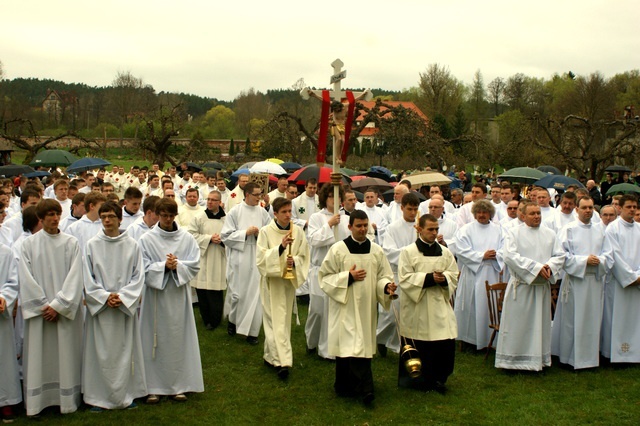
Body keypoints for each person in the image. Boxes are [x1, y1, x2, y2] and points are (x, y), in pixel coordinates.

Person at [318, 209, 396, 405]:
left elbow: (383, 276)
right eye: (358, 226)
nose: (362, 229)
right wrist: (348, 277)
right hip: (345, 305)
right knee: (347, 345)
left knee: (361, 344)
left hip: (366, 307)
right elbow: (325, 277)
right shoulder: (338, 250)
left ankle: (362, 388)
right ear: (350, 226)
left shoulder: (376, 251)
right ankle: (348, 386)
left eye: (365, 225)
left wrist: (386, 287)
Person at [19, 199, 85, 416]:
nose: (55, 218)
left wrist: (58, 305)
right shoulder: (29, 245)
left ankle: (66, 401)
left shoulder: (71, 243)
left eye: (57, 214)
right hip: (41, 314)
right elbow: (25, 279)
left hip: (62, 313)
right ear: (41, 218)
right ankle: (39, 403)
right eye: (50, 214)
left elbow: (75, 277)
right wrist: (43, 306)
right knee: (40, 357)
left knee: (65, 355)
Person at [82, 201, 147, 411]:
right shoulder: (92, 245)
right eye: (103, 217)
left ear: (120, 218)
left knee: (125, 351)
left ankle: (127, 394)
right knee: (100, 353)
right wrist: (103, 297)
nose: (107, 221)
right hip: (102, 309)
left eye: (111, 216)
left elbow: (139, 276)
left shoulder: (132, 245)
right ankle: (98, 397)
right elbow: (87, 277)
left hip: (122, 308)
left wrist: (123, 297)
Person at [138, 198, 203, 403]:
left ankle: (179, 384)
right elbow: (141, 267)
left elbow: (194, 264)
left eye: (170, 216)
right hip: (155, 298)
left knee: (177, 338)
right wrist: (163, 267)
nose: (167, 220)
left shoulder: (186, 238)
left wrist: (178, 266)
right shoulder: (147, 239)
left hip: (177, 295)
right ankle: (153, 386)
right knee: (152, 340)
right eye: (163, 215)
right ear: (157, 214)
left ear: (175, 215)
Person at [495, 203, 565, 371]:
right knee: (518, 324)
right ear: (523, 216)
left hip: (541, 288)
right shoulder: (514, 233)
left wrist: (548, 267)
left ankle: (538, 359)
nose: (536, 216)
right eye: (532, 213)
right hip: (522, 287)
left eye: (538, 213)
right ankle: (513, 360)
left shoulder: (550, 234)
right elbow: (510, 256)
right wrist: (536, 268)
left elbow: (560, 255)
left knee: (539, 325)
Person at [397, 213, 458, 393]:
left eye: (436, 229)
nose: (434, 233)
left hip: (439, 303)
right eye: (430, 229)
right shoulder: (408, 252)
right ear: (419, 229)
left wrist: (444, 278)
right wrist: (430, 278)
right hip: (418, 305)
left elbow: (453, 274)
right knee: (420, 342)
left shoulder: (445, 252)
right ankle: (416, 379)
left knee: (443, 341)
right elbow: (405, 278)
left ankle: (439, 378)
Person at [256, 197, 310, 379]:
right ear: (275, 213)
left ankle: (271, 356)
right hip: (272, 283)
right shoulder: (265, 232)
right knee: (272, 321)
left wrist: (294, 261)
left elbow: (304, 255)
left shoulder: (298, 232)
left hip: (287, 283)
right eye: (284, 212)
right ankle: (282, 362)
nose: (288, 215)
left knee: (283, 321)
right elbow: (261, 259)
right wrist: (280, 248)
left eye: (290, 212)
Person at [551, 196, 606, 369]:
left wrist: (600, 260)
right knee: (572, 319)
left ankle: (590, 358)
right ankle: (568, 357)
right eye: (584, 208)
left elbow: (609, 255)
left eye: (591, 208)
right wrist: (583, 261)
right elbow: (560, 255)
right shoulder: (569, 229)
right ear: (577, 209)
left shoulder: (600, 230)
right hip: (576, 281)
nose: (588, 211)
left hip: (595, 282)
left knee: (592, 318)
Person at [221, 182, 271, 345]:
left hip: (256, 255)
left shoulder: (263, 212)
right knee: (238, 293)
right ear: (247, 195)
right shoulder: (235, 212)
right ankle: (233, 321)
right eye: (256, 195)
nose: (259, 198)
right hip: (240, 257)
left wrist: (258, 235)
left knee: (255, 294)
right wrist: (244, 233)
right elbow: (226, 236)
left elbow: (269, 233)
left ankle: (253, 332)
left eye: (260, 194)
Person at [305, 184, 350, 359]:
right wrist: (329, 225)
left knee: (334, 312)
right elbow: (314, 240)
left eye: (338, 196)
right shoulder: (317, 218)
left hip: (339, 272)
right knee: (317, 309)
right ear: (325, 198)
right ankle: (312, 341)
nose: (335, 199)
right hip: (320, 269)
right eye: (331, 196)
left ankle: (329, 350)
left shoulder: (346, 219)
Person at [377, 192, 420, 356]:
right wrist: (410, 251)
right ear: (402, 208)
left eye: (415, 209)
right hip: (397, 274)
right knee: (391, 314)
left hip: (415, 275)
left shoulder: (420, 226)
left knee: (410, 313)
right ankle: (380, 339)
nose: (412, 212)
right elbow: (388, 252)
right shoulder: (392, 228)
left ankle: (405, 345)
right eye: (409, 209)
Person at [601, 194, 640, 363]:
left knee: (634, 318)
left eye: (634, 207)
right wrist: (631, 277)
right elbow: (614, 255)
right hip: (618, 281)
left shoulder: (639, 228)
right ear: (620, 208)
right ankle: (613, 353)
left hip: (638, 280)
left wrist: (638, 275)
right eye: (628, 207)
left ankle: (633, 353)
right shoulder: (613, 228)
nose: (632, 210)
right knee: (615, 317)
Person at [187, 191, 227, 330]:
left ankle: (216, 319)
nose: (210, 202)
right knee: (202, 291)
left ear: (219, 202)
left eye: (213, 200)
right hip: (204, 257)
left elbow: (231, 236)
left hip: (218, 257)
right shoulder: (199, 217)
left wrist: (222, 240)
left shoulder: (226, 219)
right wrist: (209, 238)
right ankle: (206, 320)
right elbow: (191, 235)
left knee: (215, 291)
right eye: (208, 199)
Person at [0, 218, 21, 423]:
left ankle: (5, 401)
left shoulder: (5, 252)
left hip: (0, 314)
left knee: (3, 358)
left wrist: (4, 297)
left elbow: (12, 281)